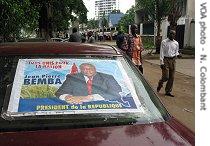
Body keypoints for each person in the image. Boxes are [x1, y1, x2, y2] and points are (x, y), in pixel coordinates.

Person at [55, 63, 122, 104]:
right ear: (81, 70)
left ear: (95, 69)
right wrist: (67, 97)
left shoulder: (107, 77)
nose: (87, 71)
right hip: (78, 109)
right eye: (84, 69)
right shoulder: (72, 78)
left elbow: (116, 93)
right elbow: (60, 92)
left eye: (90, 68)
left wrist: (90, 97)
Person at [157, 30, 179, 97]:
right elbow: (162, 52)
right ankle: (161, 82)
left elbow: (176, 51)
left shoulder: (176, 43)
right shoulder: (164, 42)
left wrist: (177, 55)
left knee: (172, 77)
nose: (172, 35)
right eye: (171, 33)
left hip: (173, 60)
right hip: (166, 60)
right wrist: (161, 62)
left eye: (173, 34)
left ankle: (168, 91)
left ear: (175, 35)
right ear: (169, 34)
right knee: (166, 77)